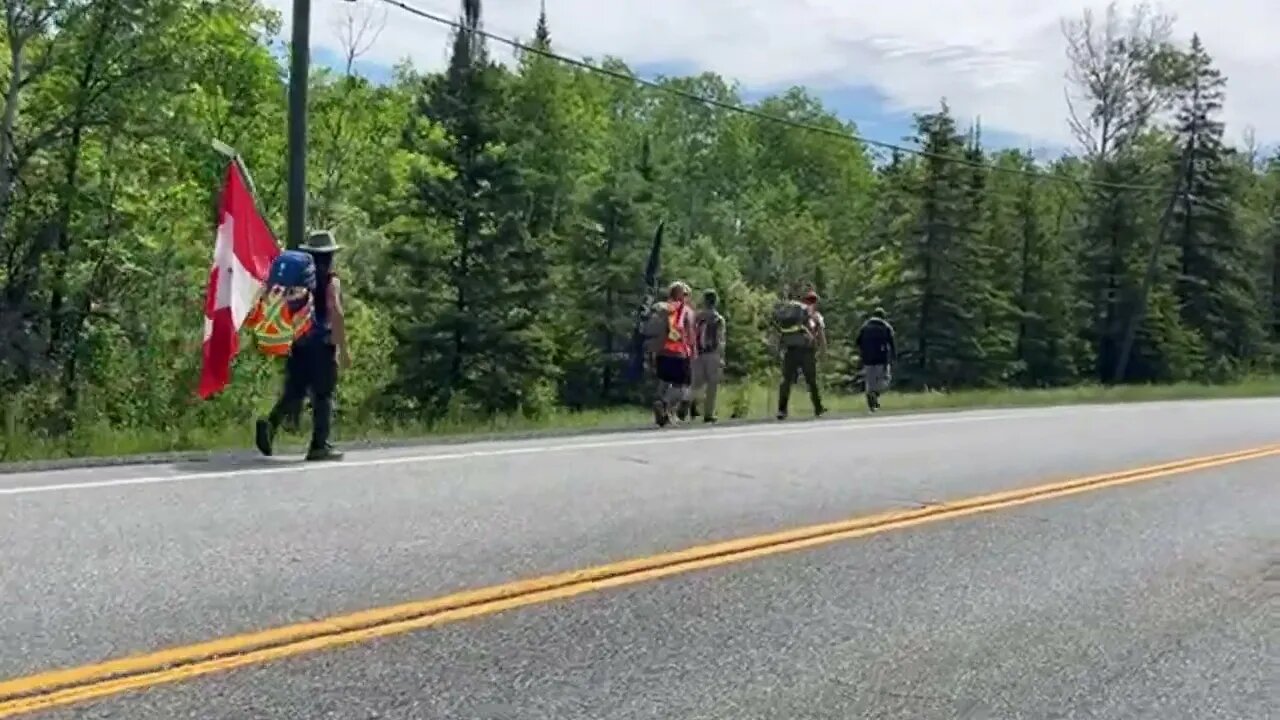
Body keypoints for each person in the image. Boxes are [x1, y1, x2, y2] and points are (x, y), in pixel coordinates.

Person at [255, 231, 351, 461]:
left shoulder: (299, 279)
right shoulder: (330, 279)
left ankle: (270, 423)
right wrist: (342, 348)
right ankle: (319, 446)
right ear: (330, 255)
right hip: (321, 343)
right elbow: (335, 312)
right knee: (323, 395)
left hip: (298, 340)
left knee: (294, 390)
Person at [652, 281, 697, 426]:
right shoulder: (685, 311)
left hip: (662, 351)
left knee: (664, 382)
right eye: (686, 294)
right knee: (682, 386)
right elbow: (690, 332)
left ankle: (665, 412)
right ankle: (664, 404)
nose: (687, 298)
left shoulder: (663, 308)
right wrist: (693, 350)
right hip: (679, 352)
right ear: (681, 295)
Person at [776, 290, 827, 420]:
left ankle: (782, 410)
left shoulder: (793, 314)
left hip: (790, 350)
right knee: (811, 381)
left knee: (786, 381)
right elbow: (819, 334)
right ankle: (818, 408)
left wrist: (779, 348)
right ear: (815, 302)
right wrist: (822, 351)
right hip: (806, 352)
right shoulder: (813, 315)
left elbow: (781, 333)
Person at [690, 289, 726, 423]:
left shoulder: (697, 317)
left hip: (697, 353)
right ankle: (708, 413)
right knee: (712, 385)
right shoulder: (718, 319)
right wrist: (721, 357)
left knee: (695, 384)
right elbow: (721, 339)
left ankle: (691, 406)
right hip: (712, 353)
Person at [855, 306, 896, 412]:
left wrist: (862, 354)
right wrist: (893, 356)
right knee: (885, 379)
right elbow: (891, 343)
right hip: (881, 359)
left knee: (870, 381)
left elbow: (857, 342)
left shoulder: (865, 327)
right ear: (883, 316)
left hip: (868, 359)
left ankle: (872, 402)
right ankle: (875, 394)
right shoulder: (886, 327)